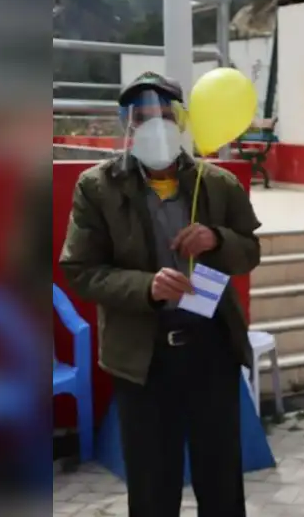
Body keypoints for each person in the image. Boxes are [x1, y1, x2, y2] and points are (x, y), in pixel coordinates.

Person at [59, 72, 262, 517]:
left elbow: (250, 250)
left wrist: (217, 239)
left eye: (165, 116)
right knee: (152, 485)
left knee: (222, 479)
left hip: (211, 350)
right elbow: (80, 270)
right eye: (142, 117)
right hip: (142, 357)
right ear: (127, 127)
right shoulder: (98, 188)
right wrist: (144, 287)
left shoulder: (217, 184)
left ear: (183, 121)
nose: (155, 126)